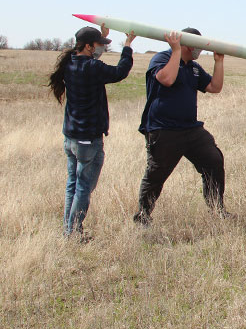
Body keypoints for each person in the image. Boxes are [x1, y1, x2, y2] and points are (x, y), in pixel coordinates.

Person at [48, 25, 135, 238]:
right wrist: (127, 46)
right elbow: (119, 72)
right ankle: (73, 232)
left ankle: (68, 230)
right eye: (99, 45)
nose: (102, 49)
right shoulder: (91, 67)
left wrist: (101, 36)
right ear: (88, 46)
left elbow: (92, 57)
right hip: (87, 140)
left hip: (70, 138)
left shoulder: (70, 63)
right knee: (84, 187)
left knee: (73, 185)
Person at [134, 29, 226, 225]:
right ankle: (143, 216)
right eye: (198, 45)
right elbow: (166, 79)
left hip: (191, 129)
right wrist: (176, 51)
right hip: (164, 129)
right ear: (187, 44)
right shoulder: (161, 58)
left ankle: (217, 210)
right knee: (156, 174)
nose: (201, 50)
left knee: (214, 160)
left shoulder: (194, 67)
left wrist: (219, 62)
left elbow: (215, 87)